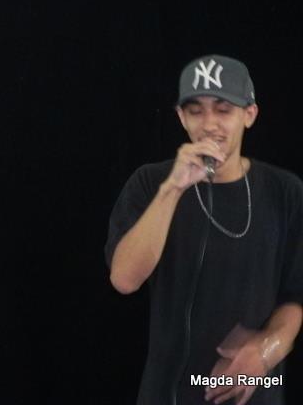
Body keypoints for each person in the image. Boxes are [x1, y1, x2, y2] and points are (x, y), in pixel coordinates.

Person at [105, 54, 303, 405]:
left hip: (252, 391)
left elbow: (296, 296)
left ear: (249, 114)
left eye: (223, 110)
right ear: (181, 118)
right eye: (196, 111)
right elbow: (124, 279)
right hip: (169, 393)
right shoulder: (150, 182)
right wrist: (173, 189)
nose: (209, 123)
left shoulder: (285, 192)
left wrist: (266, 352)